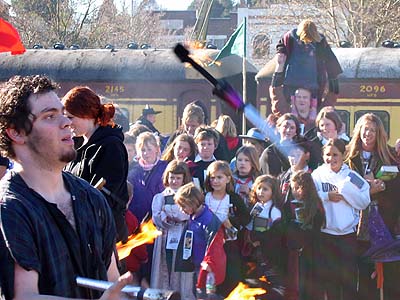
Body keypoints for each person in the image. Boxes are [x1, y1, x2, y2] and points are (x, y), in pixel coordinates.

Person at [0, 75, 131, 299]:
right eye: (50, 116)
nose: (66, 123)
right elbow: (25, 296)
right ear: (16, 132)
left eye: (63, 113)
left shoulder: (92, 198)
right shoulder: (10, 208)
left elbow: (111, 283)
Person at [62, 86, 129, 243]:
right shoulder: (75, 144)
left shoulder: (111, 146)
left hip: (103, 234)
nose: (67, 123)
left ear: (86, 115)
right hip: (79, 230)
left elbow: (104, 195)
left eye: (71, 117)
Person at [345, 113, 400, 300]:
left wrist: (382, 186)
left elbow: (396, 191)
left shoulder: (390, 156)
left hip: (383, 226)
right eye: (365, 129)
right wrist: (367, 190)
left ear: (379, 135)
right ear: (358, 130)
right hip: (353, 226)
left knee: (385, 279)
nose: (368, 134)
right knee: (359, 277)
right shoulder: (347, 157)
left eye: (373, 131)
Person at [312, 138, 370, 300]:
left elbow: (364, 201)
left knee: (348, 280)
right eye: (328, 155)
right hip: (326, 235)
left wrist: (347, 193)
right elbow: (308, 198)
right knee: (330, 281)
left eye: (335, 154)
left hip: (347, 236)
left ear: (343, 155)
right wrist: (326, 196)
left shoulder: (352, 176)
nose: (331, 158)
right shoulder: (318, 175)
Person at [204, 161, 250, 296]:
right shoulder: (205, 197)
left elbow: (246, 218)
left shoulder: (233, 198)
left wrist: (231, 222)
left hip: (229, 245)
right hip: (209, 245)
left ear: (228, 178)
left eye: (219, 177)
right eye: (212, 178)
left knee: (230, 279)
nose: (216, 181)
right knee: (211, 282)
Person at [174, 182, 226, 299]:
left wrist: (210, 264)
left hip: (209, 269)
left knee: (208, 295)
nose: (182, 210)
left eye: (183, 206)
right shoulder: (193, 218)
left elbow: (215, 244)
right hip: (197, 264)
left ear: (192, 202)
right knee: (198, 292)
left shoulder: (208, 220)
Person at [151, 160, 195, 299]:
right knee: (164, 267)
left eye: (178, 178)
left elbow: (184, 214)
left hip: (182, 237)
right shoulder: (159, 197)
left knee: (179, 268)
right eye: (172, 177)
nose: (174, 181)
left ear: (184, 179)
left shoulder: (189, 196)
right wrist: (166, 214)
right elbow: (156, 218)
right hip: (164, 237)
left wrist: (167, 210)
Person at [276, 19, 342, 102]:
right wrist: (281, 53)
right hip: (292, 83)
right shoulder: (290, 38)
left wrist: (334, 86)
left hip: (313, 84)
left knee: (312, 107)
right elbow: (281, 46)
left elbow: (331, 61)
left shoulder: (320, 41)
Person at [269, 53, 337, 133]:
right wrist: (280, 66)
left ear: (310, 100)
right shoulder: (286, 112)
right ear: (294, 99)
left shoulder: (320, 114)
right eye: (299, 97)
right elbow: (276, 93)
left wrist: (332, 70)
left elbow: (332, 95)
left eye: (305, 97)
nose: (301, 100)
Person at [242, 175, 284, 299]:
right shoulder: (256, 207)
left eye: (265, 189)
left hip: (269, 253)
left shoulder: (274, 211)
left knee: (272, 281)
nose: (261, 192)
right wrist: (250, 238)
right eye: (259, 188)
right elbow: (249, 225)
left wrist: (260, 239)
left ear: (273, 192)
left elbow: (276, 234)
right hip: (255, 252)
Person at [289, 171, 325, 300]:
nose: (296, 191)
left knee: (311, 285)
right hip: (297, 252)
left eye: (299, 188)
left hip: (313, 251)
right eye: (294, 188)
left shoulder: (316, 205)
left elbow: (316, 228)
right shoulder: (290, 204)